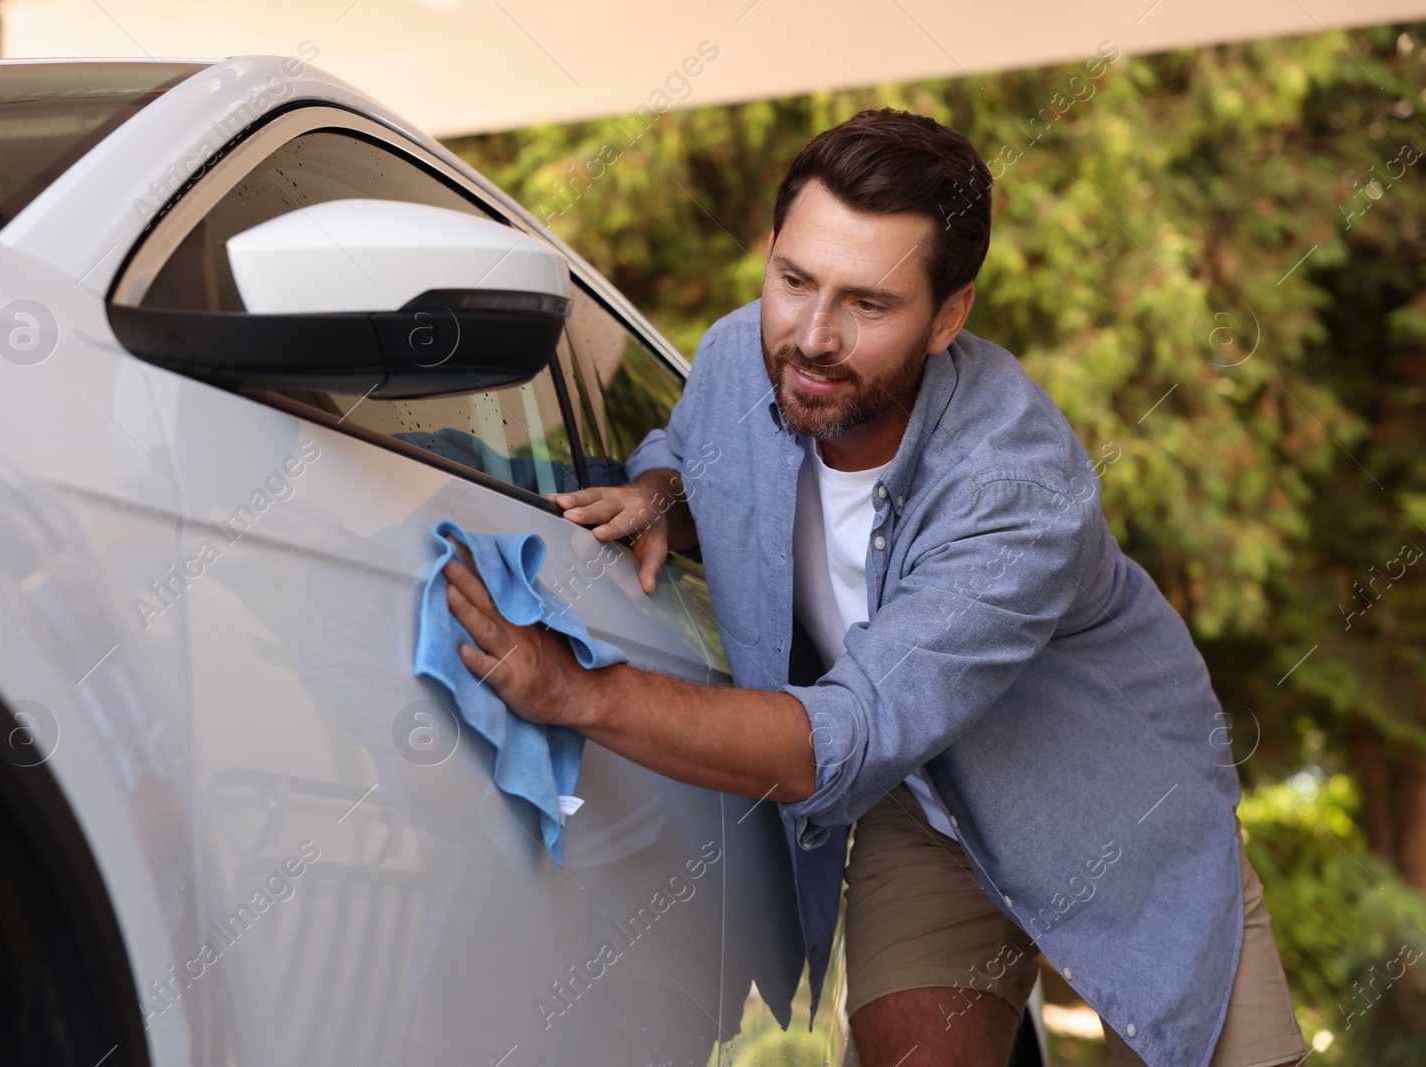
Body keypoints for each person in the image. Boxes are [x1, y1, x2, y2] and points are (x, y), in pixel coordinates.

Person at [440, 108, 1306, 1067]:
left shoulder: (1014, 486)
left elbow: (844, 737)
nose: (811, 336)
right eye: (794, 279)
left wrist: (581, 694)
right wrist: (661, 493)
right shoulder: (740, 357)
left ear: (949, 316)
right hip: (919, 799)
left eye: (868, 304)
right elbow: (688, 451)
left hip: (1109, 803)